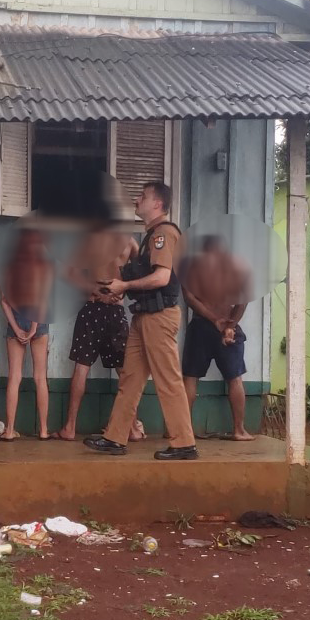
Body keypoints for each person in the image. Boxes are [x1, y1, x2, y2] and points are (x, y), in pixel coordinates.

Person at [86, 182, 197, 460]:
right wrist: (118, 286)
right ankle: (115, 437)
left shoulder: (164, 234)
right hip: (144, 315)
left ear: (157, 204)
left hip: (159, 317)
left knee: (168, 379)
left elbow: (162, 277)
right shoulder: (149, 237)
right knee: (131, 379)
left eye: (143, 196)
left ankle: (184, 443)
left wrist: (124, 286)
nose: (137, 200)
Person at [56, 227, 148, 443]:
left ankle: (70, 427)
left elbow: (69, 274)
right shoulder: (128, 241)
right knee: (126, 373)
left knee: (81, 368)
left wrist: (95, 291)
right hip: (116, 309)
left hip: (92, 307)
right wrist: (123, 289)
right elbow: (143, 271)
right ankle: (133, 428)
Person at [181, 234, 255, 441]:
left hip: (201, 326)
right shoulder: (238, 267)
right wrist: (229, 325)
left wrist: (214, 320)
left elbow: (189, 298)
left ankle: (181, 431)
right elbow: (243, 301)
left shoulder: (193, 266)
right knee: (235, 378)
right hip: (228, 327)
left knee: (190, 378)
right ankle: (239, 430)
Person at [0, 228, 52, 441]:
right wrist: (33, 328)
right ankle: (44, 430)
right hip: (37, 322)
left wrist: (18, 328)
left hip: (16, 321)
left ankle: (10, 430)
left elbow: (4, 301)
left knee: (14, 377)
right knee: (40, 377)